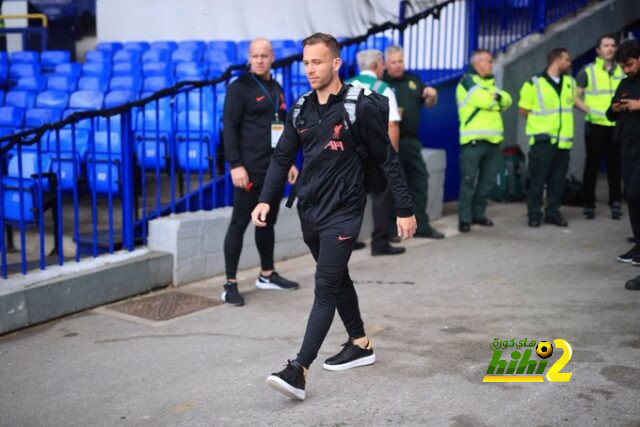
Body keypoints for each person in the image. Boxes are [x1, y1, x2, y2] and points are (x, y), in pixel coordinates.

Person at [251, 33, 417, 400]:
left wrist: (405, 209)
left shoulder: (361, 107)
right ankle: (360, 343)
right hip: (310, 209)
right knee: (337, 276)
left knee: (324, 286)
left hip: (344, 212)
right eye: (306, 63)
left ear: (336, 64)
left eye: (318, 62)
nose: (310, 69)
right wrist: (266, 199)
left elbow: (389, 159)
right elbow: (282, 158)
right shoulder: (301, 109)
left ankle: (299, 369)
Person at [221, 38, 300, 306]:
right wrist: (235, 165)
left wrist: (287, 162)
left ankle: (267, 274)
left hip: (273, 169)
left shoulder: (276, 88)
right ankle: (230, 284)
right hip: (248, 170)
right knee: (240, 222)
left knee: (266, 221)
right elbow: (229, 128)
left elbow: (282, 130)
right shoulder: (239, 87)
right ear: (249, 58)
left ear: (272, 57)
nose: (259, 60)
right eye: (255, 56)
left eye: (264, 56)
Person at [383, 45, 445, 239]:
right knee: (390, 187)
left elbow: (428, 103)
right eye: (393, 62)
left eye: (400, 61)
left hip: (411, 142)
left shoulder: (413, 79)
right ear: (385, 63)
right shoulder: (381, 82)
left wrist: (432, 96)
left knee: (419, 181)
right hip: (389, 142)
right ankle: (392, 230)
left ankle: (422, 226)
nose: (398, 65)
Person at [347, 49, 405, 256]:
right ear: (376, 65)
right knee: (381, 195)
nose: (384, 68)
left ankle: (346, 241)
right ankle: (379, 244)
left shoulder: (345, 85)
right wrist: (393, 155)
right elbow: (393, 125)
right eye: (382, 64)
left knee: (350, 197)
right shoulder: (382, 88)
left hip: (348, 153)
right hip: (374, 152)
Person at [454, 49, 512, 232]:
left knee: (487, 182)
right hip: (473, 141)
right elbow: (485, 101)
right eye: (488, 61)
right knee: (469, 180)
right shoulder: (467, 82)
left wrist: (497, 97)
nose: (491, 64)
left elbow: (508, 100)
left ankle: (478, 214)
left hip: (494, 141)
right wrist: (496, 98)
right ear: (477, 63)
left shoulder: (490, 84)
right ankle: (464, 218)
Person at [518, 47, 576, 228]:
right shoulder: (534, 83)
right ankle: (534, 214)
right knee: (537, 179)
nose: (569, 63)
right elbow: (523, 109)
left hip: (563, 141)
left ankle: (553, 213)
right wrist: (540, 125)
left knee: (558, 180)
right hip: (543, 141)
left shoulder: (570, 83)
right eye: (566, 59)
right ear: (557, 61)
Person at [574, 35, 624, 220]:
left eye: (612, 45)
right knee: (592, 164)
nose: (610, 48)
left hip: (616, 125)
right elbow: (575, 98)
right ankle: (588, 203)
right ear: (598, 50)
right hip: (595, 124)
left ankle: (616, 202)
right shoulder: (587, 71)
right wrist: (590, 111)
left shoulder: (622, 71)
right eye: (606, 45)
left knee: (615, 165)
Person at [605, 39, 640, 289]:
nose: (626, 70)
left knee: (637, 193)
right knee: (633, 197)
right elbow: (610, 113)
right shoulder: (624, 83)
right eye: (623, 67)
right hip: (627, 149)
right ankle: (638, 246)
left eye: (629, 65)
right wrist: (616, 108)